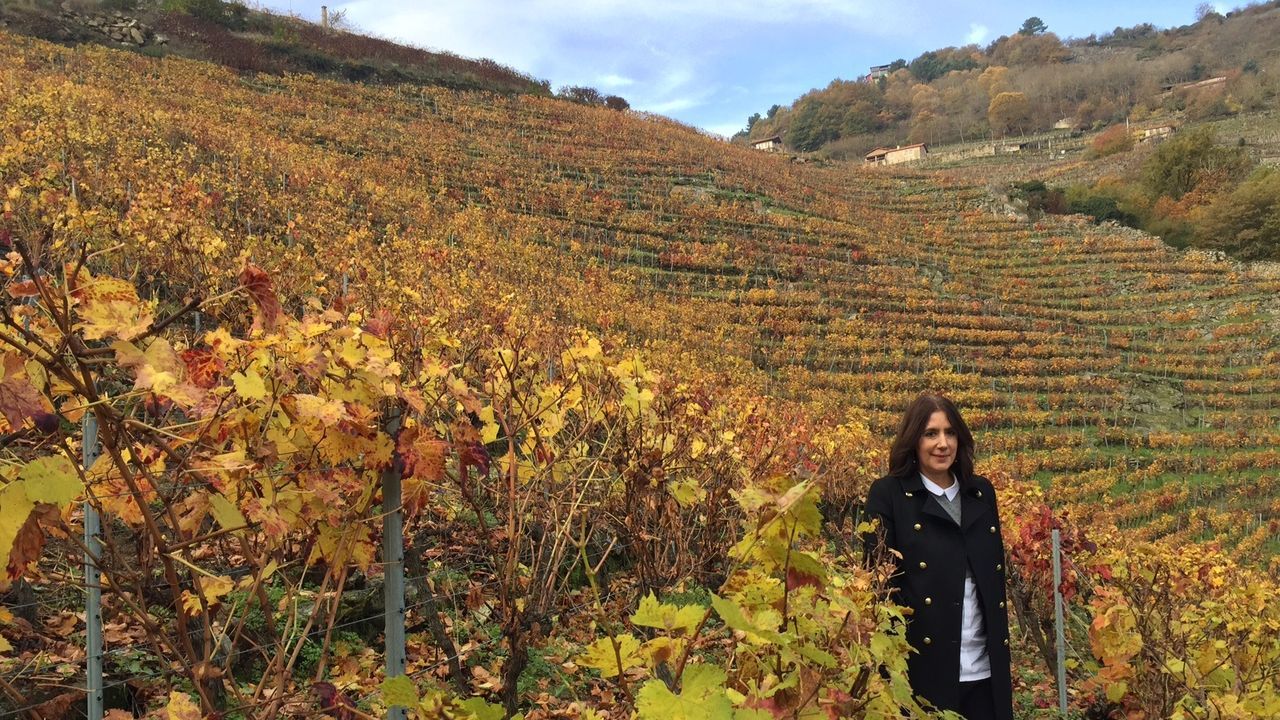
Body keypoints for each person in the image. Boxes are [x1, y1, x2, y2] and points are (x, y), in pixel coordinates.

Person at [862, 393, 1013, 720]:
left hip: (985, 672)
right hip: (923, 674)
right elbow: (879, 588)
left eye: (950, 432)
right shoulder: (888, 495)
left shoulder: (981, 493)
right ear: (913, 440)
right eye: (931, 433)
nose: (942, 443)